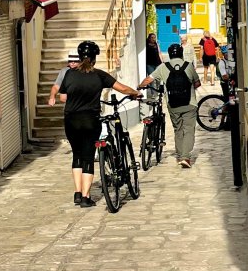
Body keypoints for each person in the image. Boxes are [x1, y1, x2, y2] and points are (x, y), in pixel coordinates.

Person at [53, 40, 140, 207]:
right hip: (90, 120)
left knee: (77, 155)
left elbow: (63, 96)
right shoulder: (99, 75)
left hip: (71, 120)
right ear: (94, 58)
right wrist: (135, 93)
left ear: (79, 57)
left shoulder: (69, 74)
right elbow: (122, 88)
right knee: (88, 157)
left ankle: (77, 193)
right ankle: (86, 197)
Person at [139, 42, 200, 167]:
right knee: (189, 130)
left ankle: (180, 155)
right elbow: (197, 83)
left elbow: (149, 79)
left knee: (178, 129)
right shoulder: (188, 66)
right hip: (190, 104)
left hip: (173, 104)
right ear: (181, 54)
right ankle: (185, 157)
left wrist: (139, 86)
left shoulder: (163, 67)